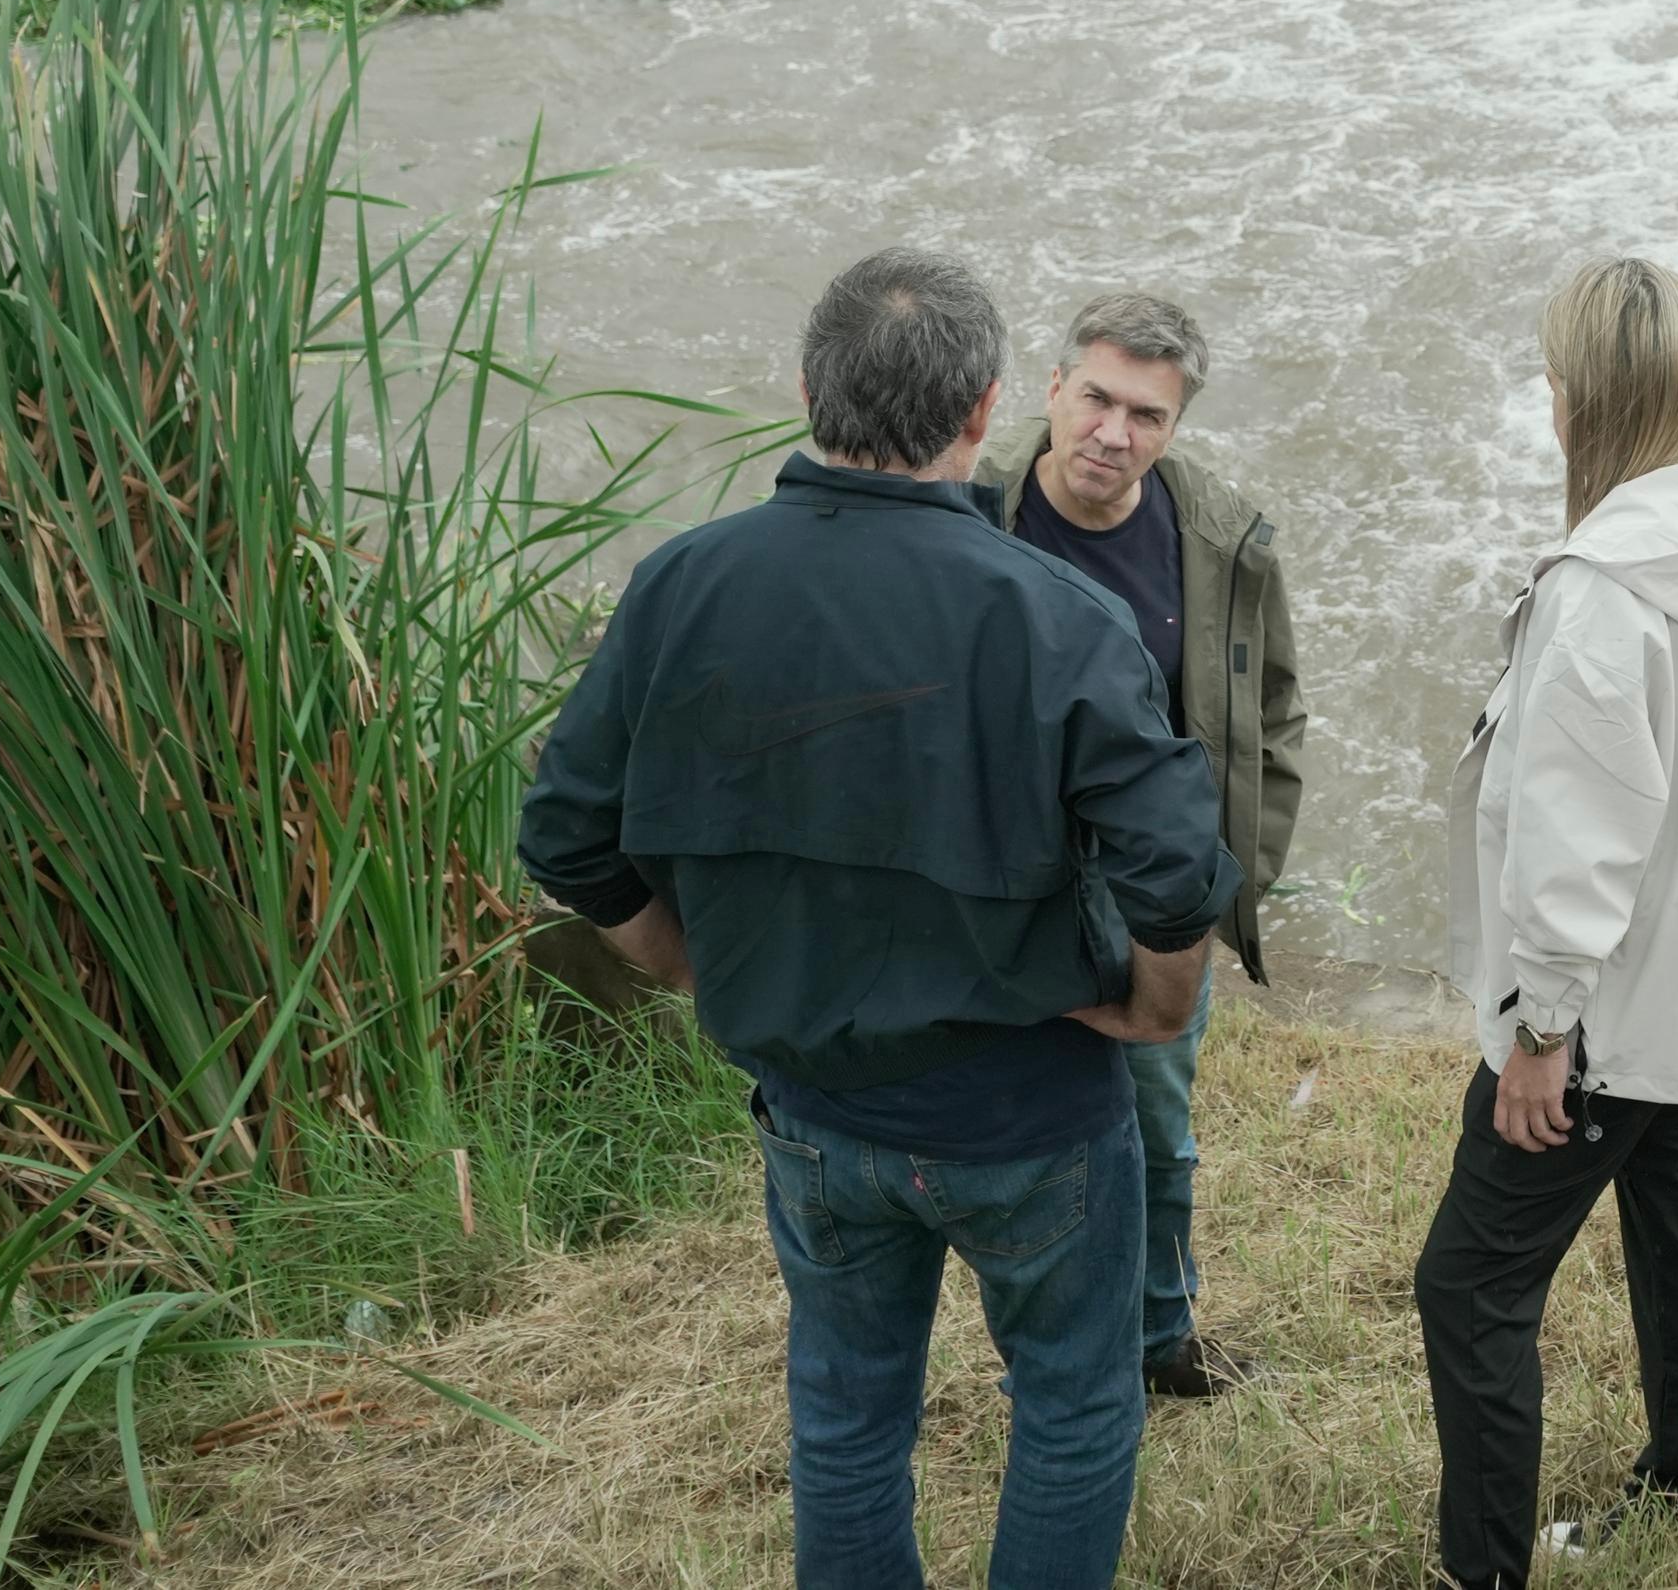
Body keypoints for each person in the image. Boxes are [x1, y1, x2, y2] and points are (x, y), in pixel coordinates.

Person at [518, 249, 1234, 1590]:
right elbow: (1179, 865)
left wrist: (674, 955)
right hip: (1030, 1112)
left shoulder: (684, 582)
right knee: (1072, 1406)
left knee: (847, 1415)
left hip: (814, 1107)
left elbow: (564, 827)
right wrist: (1159, 1005)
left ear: (807, 390)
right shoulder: (1061, 612)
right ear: (985, 408)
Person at [1415, 257, 1678, 1590]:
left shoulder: (1602, 592)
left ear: (1578, 403)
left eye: (1554, 377)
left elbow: (1578, 842)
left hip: (1609, 1009)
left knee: (1470, 1287)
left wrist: (1542, 1028)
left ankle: (1484, 1573)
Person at [971, 290, 1308, 1400]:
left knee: (1155, 1133)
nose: (1112, 433)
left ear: (1175, 427)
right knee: (1000, 1127)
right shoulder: (967, 510)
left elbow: (1272, 713)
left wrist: (1230, 877)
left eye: (1146, 415)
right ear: (1051, 389)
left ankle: (1160, 1339)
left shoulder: (1221, 539)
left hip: (1145, 893)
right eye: (1096, 398)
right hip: (997, 882)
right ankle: (1038, 1347)